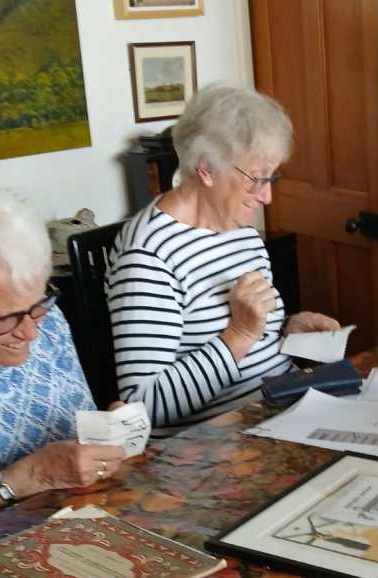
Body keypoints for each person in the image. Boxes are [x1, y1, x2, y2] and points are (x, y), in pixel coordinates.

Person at [106, 82, 340, 436]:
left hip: (281, 412)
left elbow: (253, 339)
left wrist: (288, 331)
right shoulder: (148, 256)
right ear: (206, 169)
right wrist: (239, 334)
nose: (267, 196)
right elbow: (144, 406)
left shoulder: (239, 230)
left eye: (272, 177)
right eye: (256, 178)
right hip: (216, 443)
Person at [0, 187, 126, 528]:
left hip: (81, 523)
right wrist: (28, 478)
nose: (31, 333)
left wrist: (103, 438)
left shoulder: (48, 320)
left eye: (37, 305)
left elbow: (72, 431)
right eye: (4, 319)